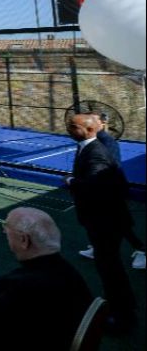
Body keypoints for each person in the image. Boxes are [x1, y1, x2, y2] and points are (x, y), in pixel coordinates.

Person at [0, 207, 92, 350]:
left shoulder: (21, 285)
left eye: (6, 230)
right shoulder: (66, 272)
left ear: (24, 240)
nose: (4, 234)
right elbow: (16, 290)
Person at [66, 113, 137, 333]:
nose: (68, 128)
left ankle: (122, 318)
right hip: (106, 220)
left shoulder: (95, 153)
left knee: (111, 270)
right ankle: (120, 307)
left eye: (73, 126)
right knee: (109, 268)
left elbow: (94, 186)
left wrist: (72, 182)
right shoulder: (90, 147)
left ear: (88, 130)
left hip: (105, 222)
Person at [76, 113, 146, 270]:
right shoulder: (87, 140)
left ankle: (141, 250)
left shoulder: (106, 142)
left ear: (100, 123)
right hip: (98, 192)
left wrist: (80, 183)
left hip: (110, 192)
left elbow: (107, 170)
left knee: (120, 224)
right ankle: (97, 247)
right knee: (97, 223)